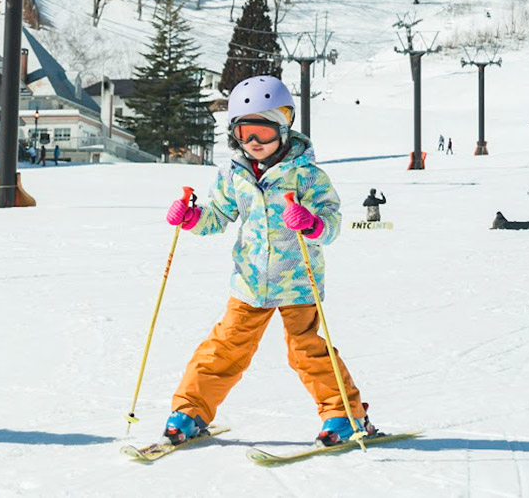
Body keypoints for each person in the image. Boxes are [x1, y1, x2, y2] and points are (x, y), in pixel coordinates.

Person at [162, 76, 378, 448]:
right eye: (245, 133)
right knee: (225, 345)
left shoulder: (308, 175)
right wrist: (192, 218)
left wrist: (311, 223)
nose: (254, 143)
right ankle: (191, 411)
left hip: (297, 279)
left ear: (283, 127)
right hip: (249, 280)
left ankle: (344, 415)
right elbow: (218, 214)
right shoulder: (233, 174)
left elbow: (332, 224)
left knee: (306, 350)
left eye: (262, 132)